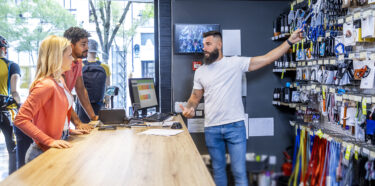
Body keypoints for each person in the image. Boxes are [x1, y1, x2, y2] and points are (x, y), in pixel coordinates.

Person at [180, 29, 303, 186]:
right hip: (212, 128)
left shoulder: (235, 63)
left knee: (239, 172)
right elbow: (195, 97)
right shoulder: (200, 72)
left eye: (208, 44)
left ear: (219, 44)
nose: (204, 48)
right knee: (218, 171)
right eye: (203, 44)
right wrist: (190, 108)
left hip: (235, 126)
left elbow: (266, 59)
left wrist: (290, 41)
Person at [14, 35, 88, 162]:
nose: (73, 59)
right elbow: (21, 119)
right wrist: (49, 141)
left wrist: (67, 130)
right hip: (41, 152)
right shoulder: (46, 85)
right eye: (69, 55)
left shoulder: (59, 80)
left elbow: (53, 115)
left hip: (59, 142)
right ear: (58, 58)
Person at [63, 27, 99, 128]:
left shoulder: (78, 62)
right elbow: (63, 97)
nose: (87, 47)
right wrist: (78, 123)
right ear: (71, 45)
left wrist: (93, 117)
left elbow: (81, 90)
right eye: (83, 44)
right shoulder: (62, 64)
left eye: (87, 44)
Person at [76, 39, 111, 123]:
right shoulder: (105, 66)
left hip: (82, 105)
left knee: (83, 128)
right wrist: (107, 101)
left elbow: (77, 86)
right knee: (99, 127)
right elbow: (107, 86)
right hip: (99, 104)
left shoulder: (80, 65)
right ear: (96, 51)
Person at [0, 35, 19, 174]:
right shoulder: (11, 65)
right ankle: (12, 179)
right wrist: (21, 106)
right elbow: (14, 91)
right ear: (3, 49)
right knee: (12, 147)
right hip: (6, 110)